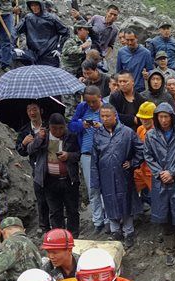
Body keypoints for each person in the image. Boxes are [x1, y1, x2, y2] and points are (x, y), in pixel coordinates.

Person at [145, 103, 175, 266]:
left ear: (172, 117)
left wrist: (172, 172)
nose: (164, 120)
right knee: (165, 219)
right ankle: (170, 251)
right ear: (156, 118)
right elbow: (148, 156)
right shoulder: (151, 135)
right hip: (160, 182)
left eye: (166, 117)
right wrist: (161, 173)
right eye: (161, 117)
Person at [91, 103, 143, 247]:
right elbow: (94, 159)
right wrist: (95, 181)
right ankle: (115, 232)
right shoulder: (97, 135)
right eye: (102, 116)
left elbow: (141, 149)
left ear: (115, 116)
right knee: (109, 201)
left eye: (108, 116)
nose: (105, 118)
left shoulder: (127, 132)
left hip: (123, 174)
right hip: (105, 174)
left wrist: (133, 163)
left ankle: (129, 232)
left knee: (126, 201)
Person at [69, 86, 107, 233]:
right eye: (88, 101)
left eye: (94, 101)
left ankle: (109, 218)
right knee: (93, 189)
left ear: (100, 97)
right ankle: (97, 221)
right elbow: (71, 125)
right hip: (86, 153)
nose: (91, 105)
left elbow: (116, 127)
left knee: (106, 187)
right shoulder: (82, 108)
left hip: (104, 153)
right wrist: (82, 124)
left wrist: (101, 126)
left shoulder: (107, 109)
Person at [16, 102, 52, 233]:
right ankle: (44, 226)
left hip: (51, 165)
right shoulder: (25, 130)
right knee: (41, 199)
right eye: (29, 110)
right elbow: (20, 151)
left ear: (40, 110)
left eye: (34, 109)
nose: (32, 113)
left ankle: (56, 224)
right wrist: (24, 143)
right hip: (36, 168)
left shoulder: (48, 125)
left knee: (53, 197)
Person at [14, 0, 69, 67]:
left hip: (49, 54)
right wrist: (15, 47)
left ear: (41, 5)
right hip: (33, 53)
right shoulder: (28, 18)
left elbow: (66, 32)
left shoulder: (52, 18)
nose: (34, 8)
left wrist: (59, 49)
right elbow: (15, 31)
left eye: (36, 5)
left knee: (50, 74)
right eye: (32, 5)